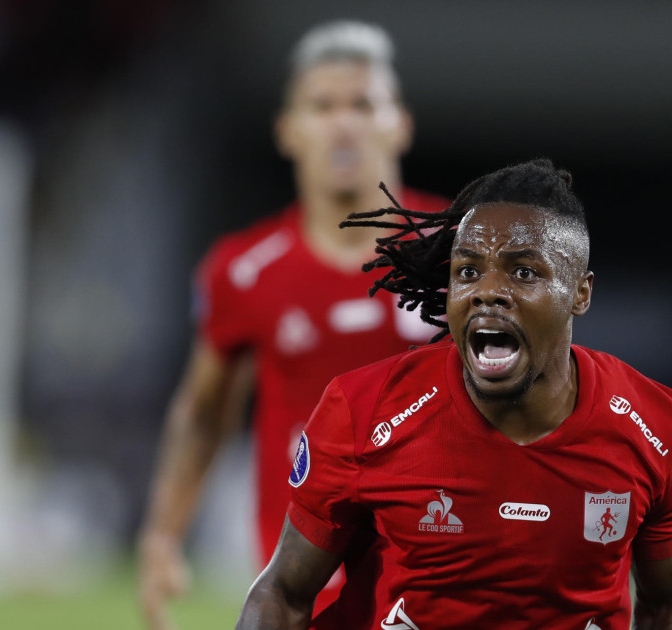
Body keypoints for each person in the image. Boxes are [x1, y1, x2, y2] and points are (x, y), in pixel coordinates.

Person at [235, 158, 672, 630]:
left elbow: (668, 605)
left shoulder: (660, 429)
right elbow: (283, 593)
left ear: (579, 295)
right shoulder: (364, 411)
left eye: (523, 273)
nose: (488, 292)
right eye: (468, 271)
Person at [136, 20, 450, 630]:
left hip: (437, 554)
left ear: (399, 122)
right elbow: (205, 413)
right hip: (301, 571)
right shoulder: (245, 271)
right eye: (322, 105)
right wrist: (161, 539)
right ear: (288, 130)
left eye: (363, 103)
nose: (343, 123)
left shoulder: (457, 251)